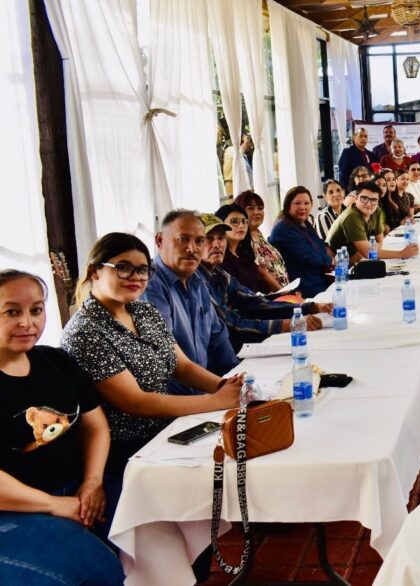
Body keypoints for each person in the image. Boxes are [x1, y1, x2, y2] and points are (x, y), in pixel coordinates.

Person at [63, 234, 243, 478]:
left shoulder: (144, 311)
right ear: (95, 271)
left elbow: (181, 366)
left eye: (142, 270)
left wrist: (227, 387)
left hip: (169, 432)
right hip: (126, 452)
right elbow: (136, 402)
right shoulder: (84, 331)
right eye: (123, 268)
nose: (136, 277)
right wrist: (217, 401)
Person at [0, 270, 124, 586]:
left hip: (78, 487)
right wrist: (54, 505)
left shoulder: (56, 361)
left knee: (155, 524)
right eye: (11, 312)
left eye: (36, 310)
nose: (27, 322)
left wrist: (93, 482)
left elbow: (95, 425)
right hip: (16, 509)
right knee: (92, 570)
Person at [198, 214, 326, 350]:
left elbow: (256, 302)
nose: (217, 244)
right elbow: (231, 325)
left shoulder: (219, 273)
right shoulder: (197, 281)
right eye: (208, 238)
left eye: (221, 238)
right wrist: (289, 324)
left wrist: (310, 307)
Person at [143, 210, 239, 383]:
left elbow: (218, 340)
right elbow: (169, 360)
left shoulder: (197, 282)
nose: (192, 249)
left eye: (199, 241)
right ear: (160, 240)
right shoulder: (150, 285)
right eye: (183, 239)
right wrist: (222, 388)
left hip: (205, 389)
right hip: (176, 397)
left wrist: (238, 380)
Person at [269, 186, 335, 298]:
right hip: (304, 288)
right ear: (288, 205)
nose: (302, 207)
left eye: (306, 203)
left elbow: (320, 247)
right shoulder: (283, 229)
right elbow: (309, 256)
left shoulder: (305, 223)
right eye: (297, 203)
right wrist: (331, 260)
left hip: (318, 280)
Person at [327, 183, 419, 262]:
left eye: (374, 200)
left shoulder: (376, 210)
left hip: (357, 259)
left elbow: (379, 242)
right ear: (355, 198)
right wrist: (401, 254)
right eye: (364, 198)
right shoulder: (351, 217)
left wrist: (367, 251)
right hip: (338, 264)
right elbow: (368, 252)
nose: (369, 204)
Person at [235, 190, 291, 292]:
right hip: (270, 296)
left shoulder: (258, 234)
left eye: (260, 208)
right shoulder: (241, 240)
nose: (256, 212)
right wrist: (284, 293)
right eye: (250, 208)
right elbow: (261, 273)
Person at [216, 203, 269, 295]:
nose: (241, 226)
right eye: (234, 221)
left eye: (244, 221)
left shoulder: (245, 254)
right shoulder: (220, 258)